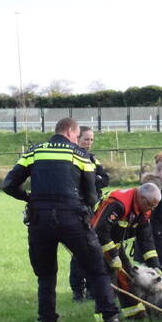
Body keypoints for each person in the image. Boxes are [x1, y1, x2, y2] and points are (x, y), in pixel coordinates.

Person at [1, 117, 125, 322]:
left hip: (40, 221)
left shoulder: (35, 151)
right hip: (73, 219)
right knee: (97, 271)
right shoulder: (80, 155)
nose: (79, 140)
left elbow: (8, 184)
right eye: (78, 136)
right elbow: (91, 195)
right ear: (70, 131)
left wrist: (29, 198)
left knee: (46, 276)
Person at [91, 182, 162, 322]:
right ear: (141, 198)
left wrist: (154, 265)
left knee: (128, 278)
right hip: (96, 241)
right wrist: (113, 256)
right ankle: (106, 319)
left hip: (113, 243)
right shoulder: (118, 204)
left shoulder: (144, 210)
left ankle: (135, 315)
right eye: (151, 205)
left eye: (155, 206)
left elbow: (146, 238)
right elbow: (100, 231)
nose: (152, 210)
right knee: (109, 279)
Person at [69, 126, 108, 302]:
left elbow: (105, 178)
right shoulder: (71, 157)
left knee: (93, 250)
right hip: (77, 209)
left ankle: (93, 289)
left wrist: (92, 182)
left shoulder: (92, 158)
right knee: (78, 251)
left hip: (93, 210)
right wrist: (92, 182)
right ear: (77, 138)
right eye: (86, 139)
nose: (89, 143)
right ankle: (78, 291)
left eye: (92, 139)